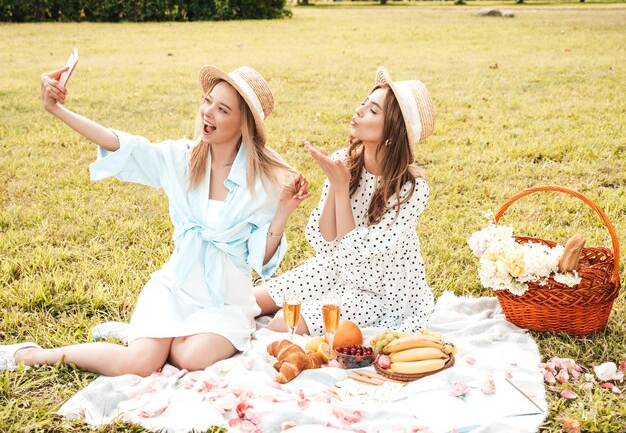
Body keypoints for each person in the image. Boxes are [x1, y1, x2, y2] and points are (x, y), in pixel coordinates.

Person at [0, 65, 310, 376]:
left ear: (244, 124)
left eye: (222, 109)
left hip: (225, 304)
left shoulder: (268, 180)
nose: (208, 112)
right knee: (140, 363)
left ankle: (149, 335)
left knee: (192, 357)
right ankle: (27, 354)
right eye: (207, 101)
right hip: (174, 288)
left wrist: (284, 210)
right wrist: (57, 110)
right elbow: (121, 144)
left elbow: (261, 258)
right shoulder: (183, 158)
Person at [254, 66, 435, 336]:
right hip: (334, 268)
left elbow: (357, 254)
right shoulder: (346, 160)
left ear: (392, 132)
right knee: (249, 302)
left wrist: (340, 187)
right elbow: (324, 240)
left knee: (282, 323)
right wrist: (335, 178)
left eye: (373, 110)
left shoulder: (412, 190)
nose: (360, 110)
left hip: (379, 292)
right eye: (364, 103)